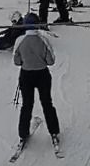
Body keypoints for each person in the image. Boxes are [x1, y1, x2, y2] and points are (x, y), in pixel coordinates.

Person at [12, 13, 60, 146]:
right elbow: (51, 61)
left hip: (26, 75)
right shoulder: (43, 39)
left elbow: (16, 61)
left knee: (27, 105)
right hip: (42, 74)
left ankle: (23, 134)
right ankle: (54, 131)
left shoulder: (20, 40)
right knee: (47, 103)